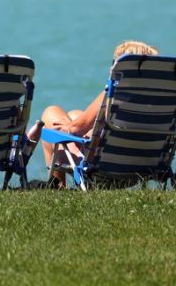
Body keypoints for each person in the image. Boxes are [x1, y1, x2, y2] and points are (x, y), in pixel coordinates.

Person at [39, 40, 160, 187]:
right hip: (144, 166)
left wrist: (70, 128)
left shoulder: (114, 93)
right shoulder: (162, 101)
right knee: (75, 114)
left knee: (51, 114)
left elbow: (76, 129)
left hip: (102, 169)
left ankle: (57, 186)